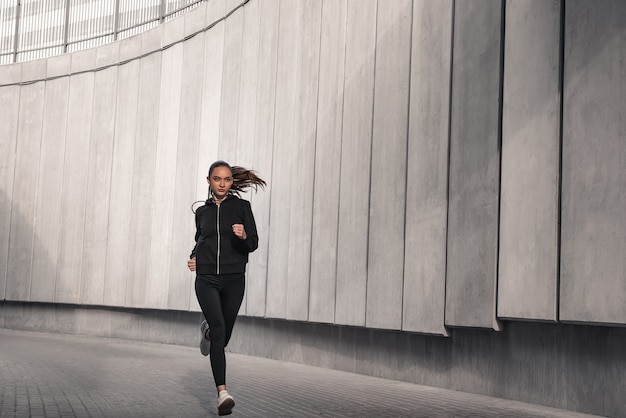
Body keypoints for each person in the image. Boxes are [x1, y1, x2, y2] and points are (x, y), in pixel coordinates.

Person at [187, 160, 265, 416]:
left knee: (224, 335)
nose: (222, 184)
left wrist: (243, 236)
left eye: (227, 179)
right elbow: (201, 239)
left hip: (234, 279)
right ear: (208, 180)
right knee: (221, 331)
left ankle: (208, 333)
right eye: (217, 179)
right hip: (206, 278)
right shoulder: (202, 212)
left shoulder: (242, 207)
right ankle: (222, 392)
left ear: (232, 182)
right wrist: (194, 256)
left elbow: (252, 243)